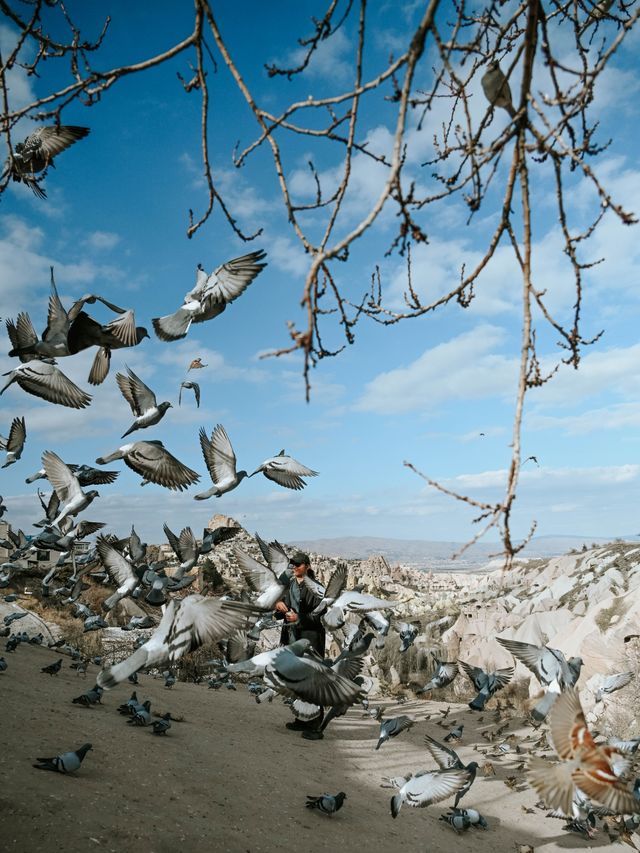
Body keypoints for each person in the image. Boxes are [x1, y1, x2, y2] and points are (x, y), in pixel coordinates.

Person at [274, 551, 326, 736]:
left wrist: (299, 617)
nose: (294, 567)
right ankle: (301, 719)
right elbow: (282, 612)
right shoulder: (290, 586)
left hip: (310, 640)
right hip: (292, 639)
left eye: (298, 564)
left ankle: (316, 725)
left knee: (313, 683)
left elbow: (319, 615)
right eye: (293, 564)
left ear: (307, 566)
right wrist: (279, 607)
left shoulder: (317, 588)